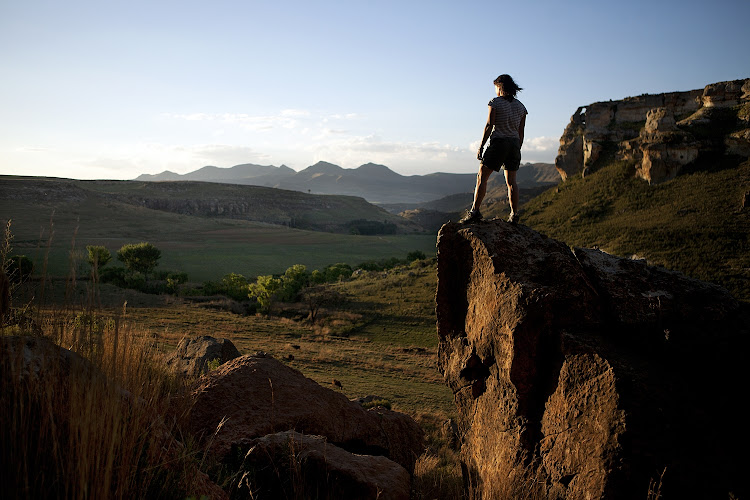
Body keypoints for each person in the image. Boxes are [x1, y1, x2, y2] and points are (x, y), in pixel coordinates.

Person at [460, 74, 527, 224]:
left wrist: (481, 146)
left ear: (500, 87)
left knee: (482, 176)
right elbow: (521, 131)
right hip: (515, 144)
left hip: (499, 142)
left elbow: (490, 125)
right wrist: (518, 147)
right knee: (512, 182)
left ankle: (475, 212)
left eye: (496, 87)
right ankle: (514, 215)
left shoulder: (495, 102)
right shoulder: (521, 107)